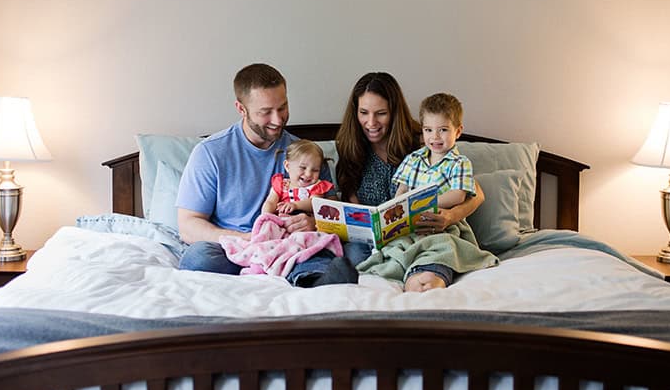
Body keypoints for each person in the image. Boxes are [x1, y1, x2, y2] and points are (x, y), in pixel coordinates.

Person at [176, 63, 357, 287]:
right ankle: (253, 276)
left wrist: (313, 223)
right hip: (236, 246)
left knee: (325, 251)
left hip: (288, 245)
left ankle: (315, 280)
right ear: (241, 109)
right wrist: (246, 239)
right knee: (199, 257)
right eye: (266, 112)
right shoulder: (211, 153)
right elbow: (187, 225)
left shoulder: (305, 154)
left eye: (282, 107)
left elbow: (333, 213)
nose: (278, 119)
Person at [336, 73, 491, 291]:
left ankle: (420, 276)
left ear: (394, 112)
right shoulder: (350, 147)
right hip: (372, 240)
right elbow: (352, 203)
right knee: (354, 258)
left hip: (422, 229)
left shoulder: (425, 141)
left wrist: (450, 216)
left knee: (436, 250)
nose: (371, 123)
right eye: (363, 113)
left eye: (381, 113)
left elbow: (476, 194)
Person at [383, 92, 492, 291]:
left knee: (444, 248)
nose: (435, 137)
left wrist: (421, 203)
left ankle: (433, 276)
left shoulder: (459, 163)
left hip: (444, 225)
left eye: (443, 130)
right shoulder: (413, 159)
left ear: (458, 131)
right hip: (411, 223)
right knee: (395, 249)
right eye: (428, 130)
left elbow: (458, 195)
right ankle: (412, 276)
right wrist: (399, 207)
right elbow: (402, 190)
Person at [262, 140, 334, 216]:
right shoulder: (281, 184)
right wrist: (266, 216)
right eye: (303, 168)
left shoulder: (316, 186)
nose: (308, 174)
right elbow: (270, 202)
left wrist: (296, 205)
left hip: (305, 223)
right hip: (280, 220)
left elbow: (314, 204)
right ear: (287, 166)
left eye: (315, 170)